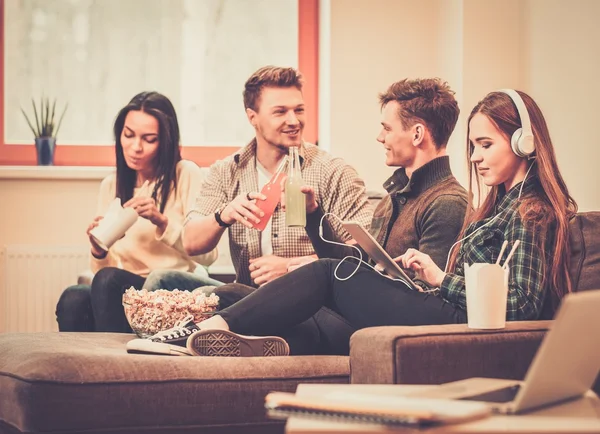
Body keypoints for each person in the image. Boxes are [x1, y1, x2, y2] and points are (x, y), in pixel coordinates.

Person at [128, 78, 472, 356]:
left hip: (374, 324)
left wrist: (297, 267)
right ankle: (264, 343)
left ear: (416, 134)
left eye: (386, 128)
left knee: (314, 275)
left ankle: (209, 332)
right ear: (253, 116)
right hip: (349, 313)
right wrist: (313, 215)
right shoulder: (395, 196)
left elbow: (428, 299)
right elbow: (351, 268)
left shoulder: (446, 202)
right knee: (235, 292)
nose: (379, 137)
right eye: (281, 110)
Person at [147, 65, 373, 293]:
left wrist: (291, 267)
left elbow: (367, 253)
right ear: (252, 117)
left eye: (299, 110)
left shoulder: (335, 172)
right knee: (161, 281)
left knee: (212, 295)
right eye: (280, 112)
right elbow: (191, 243)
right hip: (247, 295)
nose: (294, 120)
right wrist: (223, 215)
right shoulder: (226, 171)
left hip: (311, 298)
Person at [55, 91, 218, 333]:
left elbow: (208, 255)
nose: (135, 147)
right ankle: (88, 368)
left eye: (149, 139)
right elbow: (101, 273)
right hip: (118, 290)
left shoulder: (185, 174)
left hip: (167, 291)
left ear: (166, 141)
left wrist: (162, 222)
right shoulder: (111, 185)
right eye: (128, 135)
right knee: (73, 298)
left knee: (110, 280)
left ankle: (119, 365)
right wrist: (98, 249)